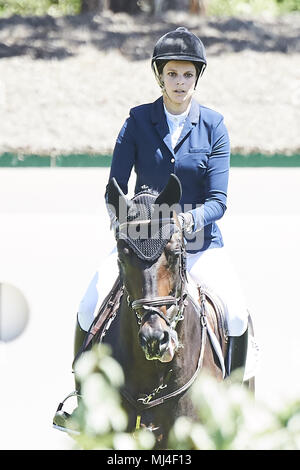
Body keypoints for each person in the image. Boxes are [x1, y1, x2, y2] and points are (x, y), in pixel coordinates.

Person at [75, 27, 249, 377]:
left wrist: (184, 222)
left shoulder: (214, 126)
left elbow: (218, 202)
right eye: (172, 73)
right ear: (160, 75)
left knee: (236, 314)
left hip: (200, 246)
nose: (180, 82)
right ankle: (81, 399)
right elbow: (115, 187)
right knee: (88, 305)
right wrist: (120, 220)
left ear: (197, 77)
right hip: (143, 247)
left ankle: (236, 401)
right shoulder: (138, 121)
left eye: (187, 74)